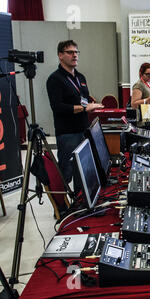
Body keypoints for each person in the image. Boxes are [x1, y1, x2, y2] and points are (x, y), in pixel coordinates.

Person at [46, 40, 103, 188]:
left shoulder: (80, 77)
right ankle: (61, 208)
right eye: (70, 52)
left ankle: (79, 207)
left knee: (82, 173)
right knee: (66, 173)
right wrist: (84, 108)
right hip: (67, 134)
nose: (74, 55)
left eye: (76, 52)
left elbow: (82, 99)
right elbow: (58, 107)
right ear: (60, 55)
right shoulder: (55, 79)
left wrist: (91, 105)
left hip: (84, 131)